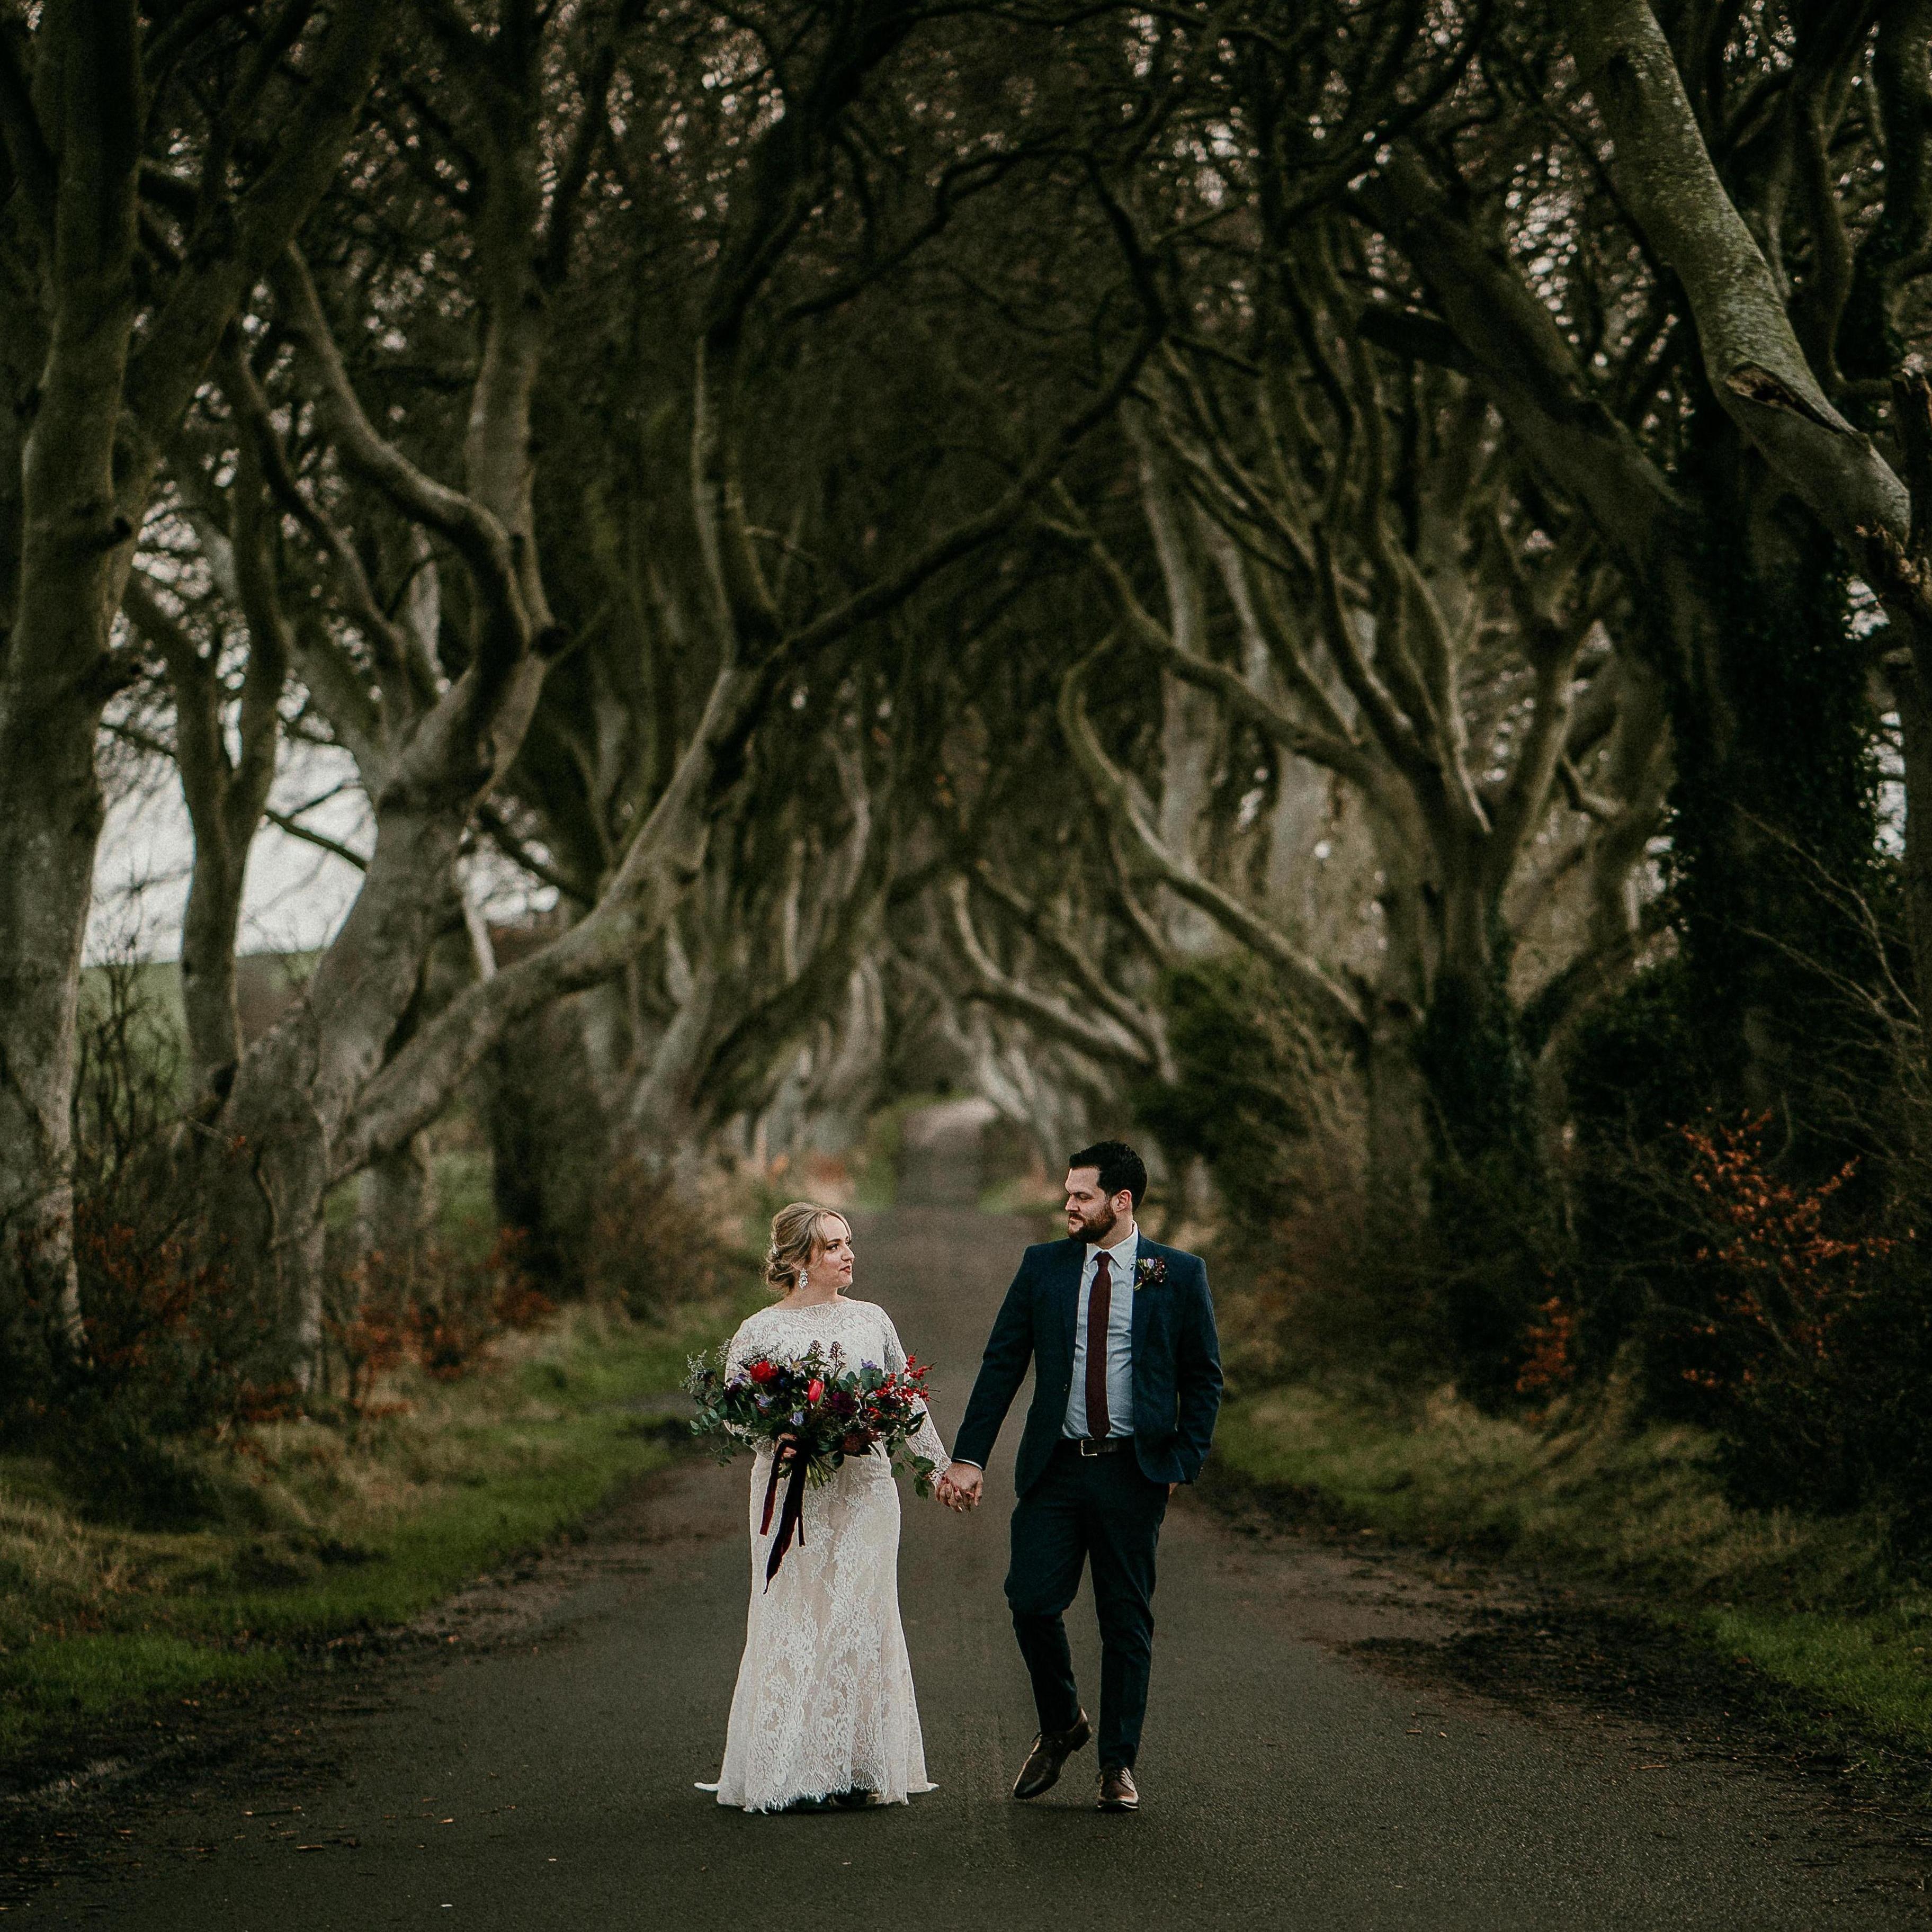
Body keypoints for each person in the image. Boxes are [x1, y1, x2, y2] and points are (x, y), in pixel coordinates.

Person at [937, 1142, 1222, 1813]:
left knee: (1126, 1623)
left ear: (1121, 1202)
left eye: (1082, 1196)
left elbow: (1203, 1377)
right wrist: (970, 1456)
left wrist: (1181, 1461)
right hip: (1056, 1468)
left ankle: (1117, 1765)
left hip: (1134, 1473)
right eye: (1068, 1194)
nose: (1068, 1205)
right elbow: (1003, 1362)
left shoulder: (1176, 1274)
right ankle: (1063, 1721)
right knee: (1030, 1601)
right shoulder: (1044, 1267)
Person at [700, 1203, 956, 1813]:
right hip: (793, 1489)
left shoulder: (873, 1320)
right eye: (834, 1246)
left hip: (866, 1487)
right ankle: (790, 1768)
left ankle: (858, 1765)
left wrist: (942, 1469)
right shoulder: (758, 1330)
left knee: (859, 1614)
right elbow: (738, 1416)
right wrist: (782, 1435)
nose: (849, 1254)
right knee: (794, 1613)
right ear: (798, 1260)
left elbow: (906, 1400)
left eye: (848, 1242)